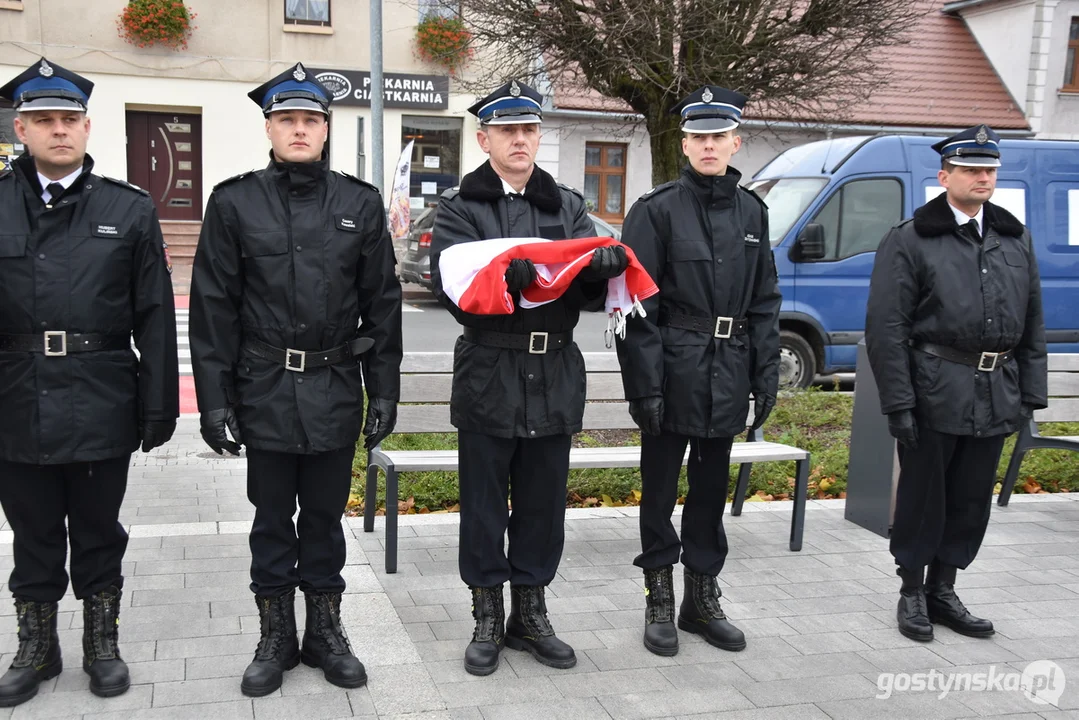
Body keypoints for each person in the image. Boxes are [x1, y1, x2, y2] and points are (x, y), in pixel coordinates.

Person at [189, 62, 403, 696]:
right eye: (288, 119)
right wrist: (214, 399)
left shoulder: (358, 203)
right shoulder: (234, 201)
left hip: (335, 386)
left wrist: (383, 387)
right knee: (271, 518)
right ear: (269, 127)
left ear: (326, 127)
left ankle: (325, 632)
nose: (300, 129)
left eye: (311, 119)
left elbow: (383, 303)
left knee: (326, 518)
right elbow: (213, 308)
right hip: (265, 389)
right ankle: (276, 634)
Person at [430, 79, 626, 676]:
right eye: (507, 130)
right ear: (484, 137)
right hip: (491, 367)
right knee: (485, 505)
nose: (520, 139)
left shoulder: (565, 207)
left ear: (539, 135)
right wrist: (501, 282)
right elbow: (455, 292)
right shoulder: (460, 207)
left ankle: (531, 612)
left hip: (553, 370)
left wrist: (601, 271)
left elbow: (586, 290)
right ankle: (487, 616)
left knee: (542, 505)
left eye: (529, 129)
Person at [0, 58, 179, 706]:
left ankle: (102, 645)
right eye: (43, 120)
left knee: (100, 534)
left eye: (68, 119)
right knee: (34, 535)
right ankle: (36, 648)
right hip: (16, 399)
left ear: (86, 126)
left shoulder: (126, 209)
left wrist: (159, 409)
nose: (58, 130)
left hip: (101, 397)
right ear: (20, 127)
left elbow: (156, 314)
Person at [615, 86, 781, 657]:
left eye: (719, 136)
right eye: (698, 137)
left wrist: (765, 376)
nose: (708, 146)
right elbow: (635, 310)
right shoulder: (656, 210)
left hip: (729, 370)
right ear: (684, 143)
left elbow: (764, 303)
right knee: (660, 493)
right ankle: (658, 596)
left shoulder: (753, 212)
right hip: (674, 370)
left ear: (736, 142)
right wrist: (645, 387)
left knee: (710, 492)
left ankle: (701, 598)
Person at [866, 124, 1047, 643]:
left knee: (970, 498)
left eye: (989, 169)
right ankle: (912, 592)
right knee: (926, 497)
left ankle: (944, 590)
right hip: (934, 388)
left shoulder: (1014, 237)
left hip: (996, 391)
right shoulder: (911, 238)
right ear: (945, 175)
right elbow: (886, 328)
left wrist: (1030, 393)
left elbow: (1032, 319)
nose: (982, 177)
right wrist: (899, 402)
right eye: (970, 169)